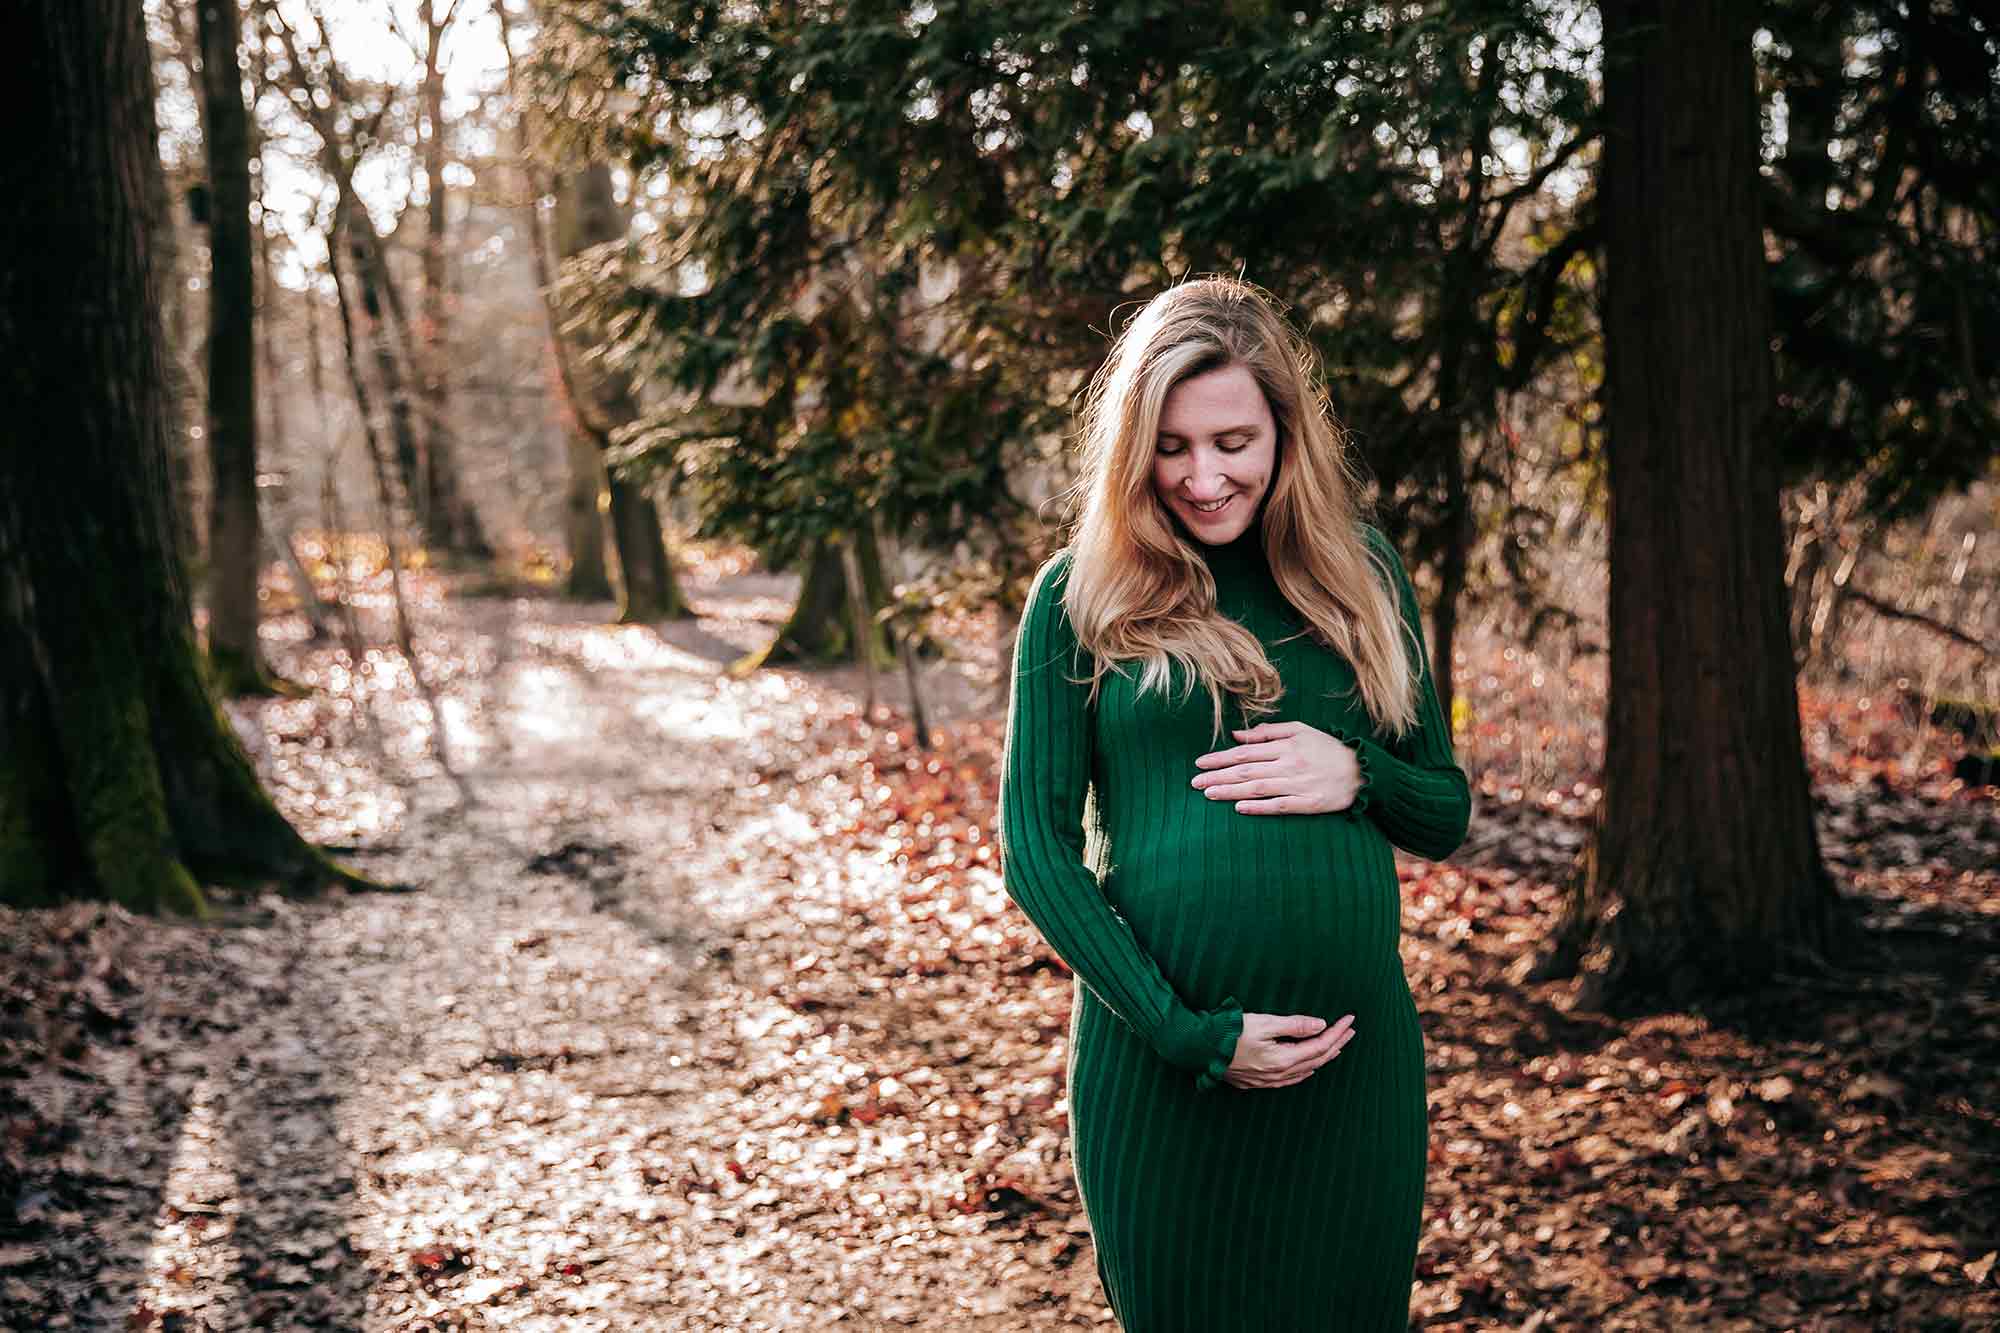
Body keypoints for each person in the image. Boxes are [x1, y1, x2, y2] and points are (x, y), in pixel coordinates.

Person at [997, 275, 1473, 1329]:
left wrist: (1358, 773)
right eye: (1170, 446)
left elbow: (1442, 812)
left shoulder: (1361, 577)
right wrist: (1189, 1035)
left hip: (1354, 1086)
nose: (1203, 477)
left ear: (1284, 434)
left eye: (1231, 441)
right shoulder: (1079, 597)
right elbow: (1034, 850)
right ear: (1133, 448)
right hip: (1164, 1081)